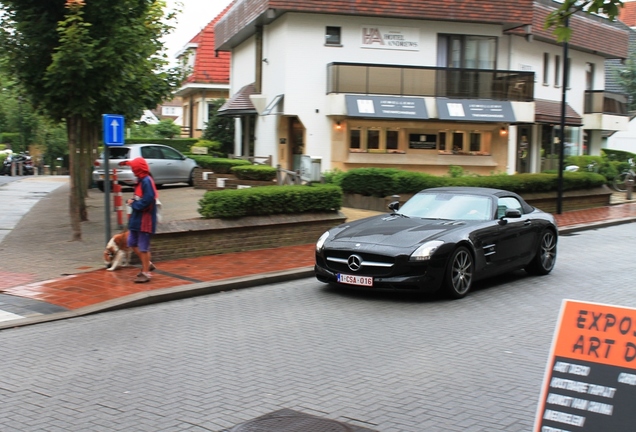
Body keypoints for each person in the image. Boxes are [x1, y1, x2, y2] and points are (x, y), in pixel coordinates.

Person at [125, 157, 158, 283]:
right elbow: (141, 198)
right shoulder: (140, 180)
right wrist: (132, 201)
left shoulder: (146, 181)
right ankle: (147, 264)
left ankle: (146, 272)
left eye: (133, 168)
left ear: (138, 169)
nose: (132, 170)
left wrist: (134, 205)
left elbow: (148, 199)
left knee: (143, 247)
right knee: (131, 242)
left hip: (145, 219)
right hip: (137, 218)